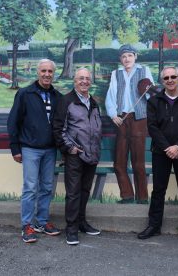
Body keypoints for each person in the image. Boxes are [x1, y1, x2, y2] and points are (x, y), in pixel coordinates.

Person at [137, 66, 178, 243]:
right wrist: (168, 147)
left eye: (173, 76)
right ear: (162, 81)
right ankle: (154, 225)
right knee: (158, 190)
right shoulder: (154, 101)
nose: (170, 80)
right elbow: (152, 127)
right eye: (166, 78)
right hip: (161, 152)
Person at [7, 59, 62, 243]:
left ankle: (42, 222)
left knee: (46, 187)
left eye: (50, 71)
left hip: (50, 150)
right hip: (30, 149)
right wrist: (15, 148)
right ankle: (27, 225)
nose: (47, 74)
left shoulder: (57, 96)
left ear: (54, 74)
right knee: (30, 188)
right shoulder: (25, 94)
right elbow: (12, 122)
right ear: (37, 72)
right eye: (43, 71)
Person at [53, 68, 102, 245]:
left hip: (91, 154)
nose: (84, 81)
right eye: (81, 78)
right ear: (75, 81)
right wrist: (70, 148)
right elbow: (58, 129)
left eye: (87, 79)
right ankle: (71, 229)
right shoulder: (66, 101)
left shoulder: (94, 102)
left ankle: (81, 223)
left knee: (84, 191)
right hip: (75, 155)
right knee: (73, 193)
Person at [105, 44, 154, 204]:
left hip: (139, 118)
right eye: (124, 56)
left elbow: (151, 94)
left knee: (138, 161)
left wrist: (148, 91)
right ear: (120, 59)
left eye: (130, 56)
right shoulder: (116, 73)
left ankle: (142, 197)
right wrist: (113, 115)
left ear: (135, 56)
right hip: (122, 119)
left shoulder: (144, 71)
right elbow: (111, 95)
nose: (127, 59)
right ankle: (127, 195)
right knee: (119, 161)